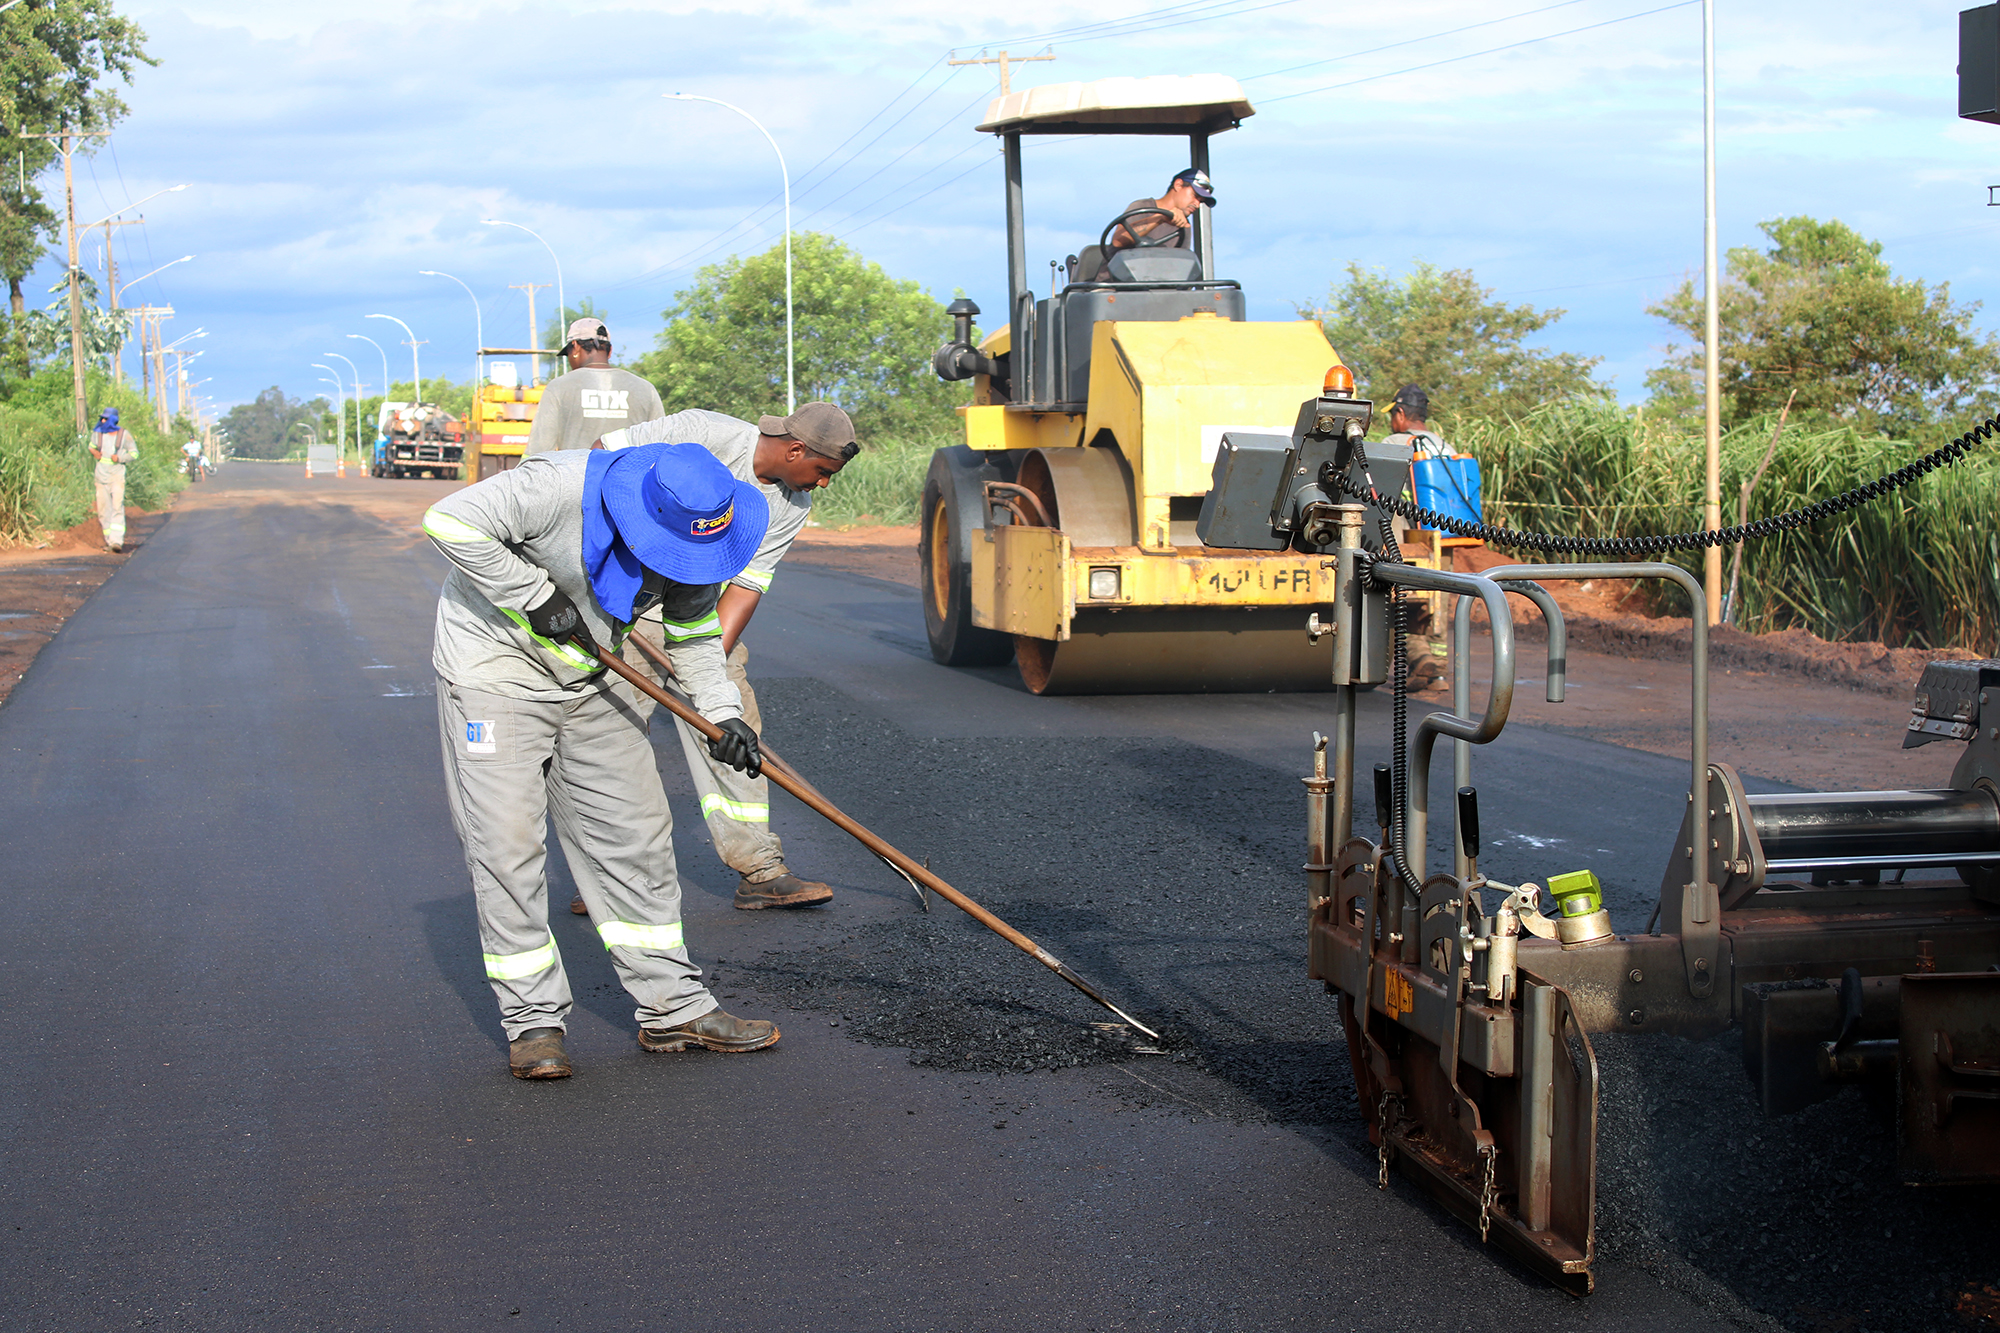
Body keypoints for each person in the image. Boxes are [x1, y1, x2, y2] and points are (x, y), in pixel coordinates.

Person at [421, 440, 780, 1080]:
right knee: (508, 846)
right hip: (495, 673)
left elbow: (693, 631)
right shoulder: (555, 488)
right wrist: (532, 593)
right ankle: (533, 1022)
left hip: (594, 677)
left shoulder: (701, 534)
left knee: (636, 835)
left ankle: (673, 1008)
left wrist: (720, 710)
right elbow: (449, 519)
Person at [589, 402, 857, 913]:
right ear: (796, 450)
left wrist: (708, 665)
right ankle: (608, 879)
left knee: (735, 730)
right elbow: (602, 457)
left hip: (701, 618)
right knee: (612, 743)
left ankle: (759, 869)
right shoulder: (703, 431)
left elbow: (747, 584)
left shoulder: (790, 505)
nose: (823, 485)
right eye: (823, 472)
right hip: (628, 608)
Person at [523, 317, 666, 457]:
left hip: (577, 479)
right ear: (610, 352)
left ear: (576, 347)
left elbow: (538, 452)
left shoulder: (559, 387)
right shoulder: (645, 389)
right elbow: (662, 443)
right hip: (632, 479)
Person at [1106, 167, 1216, 258]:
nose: (1197, 204)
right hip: (1116, 282)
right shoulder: (1142, 206)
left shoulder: (1184, 226)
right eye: (1195, 196)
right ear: (1178, 185)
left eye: (1200, 201)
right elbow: (1118, 241)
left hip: (1157, 281)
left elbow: (1182, 266)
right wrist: (1160, 218)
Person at [89, 408, 139, 552]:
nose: (103, 421)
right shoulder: (97, 433)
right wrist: (95, 453)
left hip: (117, 476)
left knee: (117, 507)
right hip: (101, 476)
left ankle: (117, 541)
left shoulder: (124, 435)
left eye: (106, 419)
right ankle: (109, 540)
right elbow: (91, 447)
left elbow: (134, 454)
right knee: (104, 510)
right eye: (102, 418)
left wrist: (120, 458)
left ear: (112, 420)